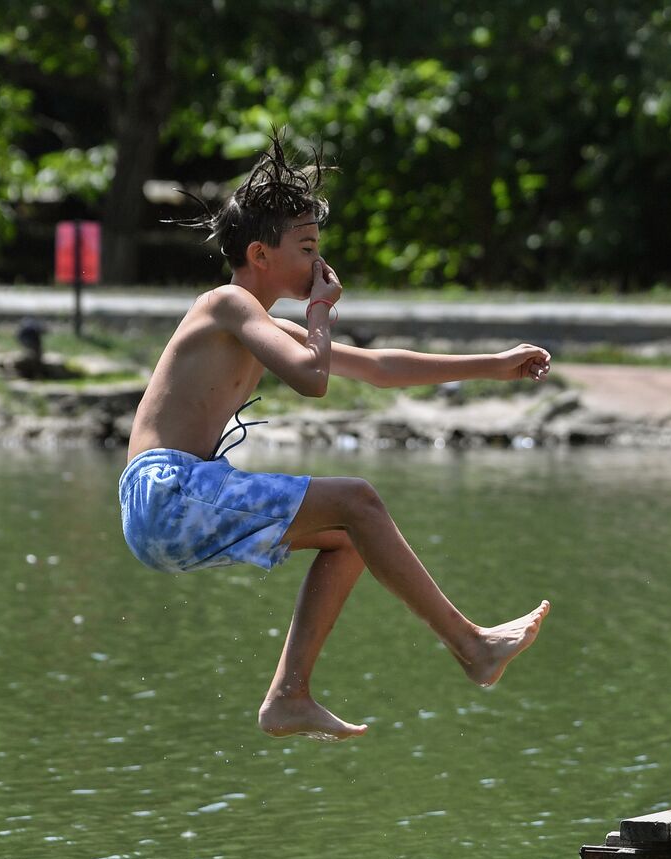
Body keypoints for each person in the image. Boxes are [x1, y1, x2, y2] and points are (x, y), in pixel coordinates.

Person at [119, 134, 553, 741]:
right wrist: (318, 314)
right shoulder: (228, 305)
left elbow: (377, 368)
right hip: (166, 493)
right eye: (307, 248)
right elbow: (312, 381)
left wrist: (491, 364)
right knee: (358, 500)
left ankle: (288, 697)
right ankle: (473, 646)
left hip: (169, 509)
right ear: (259, 254)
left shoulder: (257, 323)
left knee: (353, 537)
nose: (321, 266)